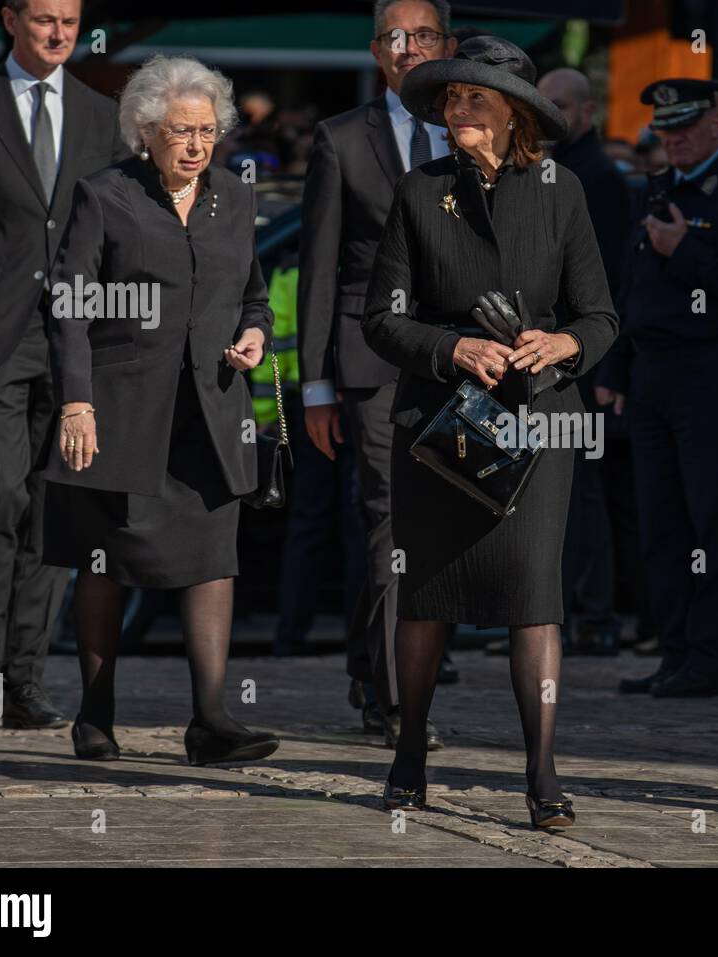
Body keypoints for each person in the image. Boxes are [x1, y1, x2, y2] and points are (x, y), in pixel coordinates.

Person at [363, 35, 618, 826]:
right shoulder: (417, 191)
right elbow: (380, 320)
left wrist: (564, 344)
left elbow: (601, 315)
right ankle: (409, 756)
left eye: (475, 97)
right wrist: (451, 349)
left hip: (538, 427)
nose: (457, 110)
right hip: (438, 425)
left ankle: (542, 774)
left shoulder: (562, 189)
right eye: (450, 98)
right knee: (426, 601)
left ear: (515, 114)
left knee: (534, 601)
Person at [41, 55, 279, 767]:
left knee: (212, 562)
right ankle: (96, 711)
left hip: (211, 413)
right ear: (146, 131)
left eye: (208, 130)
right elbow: (68, 305)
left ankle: (210, 719)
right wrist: (76, 401)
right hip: (121, 413)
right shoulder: (104, 194)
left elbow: (255, 294)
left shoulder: (234, 199)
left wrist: (255, 336)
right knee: (108, 558)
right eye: (182, 131)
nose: (197, 145)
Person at [0, 0, 127, 730]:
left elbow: (116, 230)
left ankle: (25, 680)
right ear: (10, 19)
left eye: (70, 20)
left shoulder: (101, 113)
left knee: (56, 510)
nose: (59, 33)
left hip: (77, 340)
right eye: (45, 19)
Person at [298, 0, 456, 746]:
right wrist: (316, 384)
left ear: (446, 45)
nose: (409, 47)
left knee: (440, 528)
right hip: (370, 365)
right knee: (389, 519)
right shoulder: (339, 141)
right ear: (375, 52)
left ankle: (374, 671)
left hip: (458, 361)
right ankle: (402, 703)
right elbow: (319, 269)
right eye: (396, 37)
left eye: (423, 35)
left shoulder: (471, 130)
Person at [602, 78, 718, 698]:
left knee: (717, 523)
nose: (674, 140)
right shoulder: (658, 190)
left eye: (685, 127)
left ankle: (710, 658)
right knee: (662, 526)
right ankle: (675, 650)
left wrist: (685, 250)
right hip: (655, 376)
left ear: (716, 124)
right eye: (665, 130)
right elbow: (634, 289)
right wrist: (616, 371)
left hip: (717, 377)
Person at [539, 67, 631, 656]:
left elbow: (610, 284)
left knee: (581, 494)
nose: (549, 115)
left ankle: (589, 615)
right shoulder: (564, 169)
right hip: (562, 355)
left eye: (559, 106)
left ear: (587, 111)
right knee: (562, 493)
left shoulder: (595, 177)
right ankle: (562, 612)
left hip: (584, 357)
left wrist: (604, 369)